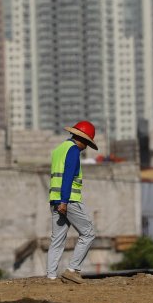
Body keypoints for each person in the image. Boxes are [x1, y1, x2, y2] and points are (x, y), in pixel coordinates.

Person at [46, 120, 98, 283]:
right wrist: (64, 201)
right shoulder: (73, 150)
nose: (86, 147)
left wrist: (59, 201)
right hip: (69, 201)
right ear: (83, 139)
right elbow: (68, 176)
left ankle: (51, 277)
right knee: (88, 232)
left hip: (55, 199)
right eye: (87, 143)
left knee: (57, 239)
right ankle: (73, 269)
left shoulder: (58, 149)